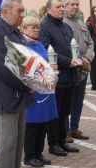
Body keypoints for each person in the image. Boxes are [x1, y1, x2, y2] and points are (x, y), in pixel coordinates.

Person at [0, 0, 33, 168]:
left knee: (18, 143)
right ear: (5, 11)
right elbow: (2, 68)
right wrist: (28, 85)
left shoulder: (14, 30)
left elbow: (24, 60)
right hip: (5, 96)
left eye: (23, 11)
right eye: (19, 11)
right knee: (7, 145)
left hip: (18, 95)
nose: (22, 15)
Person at [39, 0, 80, 157]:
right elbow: (46, 51)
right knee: (55, 113)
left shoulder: (66, 27)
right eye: (58, 6)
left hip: (70, 76)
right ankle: (54, 144)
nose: (62, 9)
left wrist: (78, 58)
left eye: (63, 6)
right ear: (49, 9)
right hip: (56, 77)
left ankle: (63, 141)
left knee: (64, 112)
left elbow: (73, 48)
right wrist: (69, 61)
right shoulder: (44, 27)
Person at [21, 16, 58, 167]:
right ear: (23, 29)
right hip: (33, 90)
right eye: (32, 27)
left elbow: (45, 63)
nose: (36, 30)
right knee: (32, 125)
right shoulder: (23, 46)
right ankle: (29, 156)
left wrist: (51, 68)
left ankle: (39, 153)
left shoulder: (40, 44)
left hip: (45, 89)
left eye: (37, 27)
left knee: (43, 123)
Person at [63, 0, 94, 141]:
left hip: (84, 67)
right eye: (72, 4)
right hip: (71, 66)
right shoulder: (62, 23)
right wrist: (79, 59)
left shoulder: (81, 23)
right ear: (65, 5)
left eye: (77, 4)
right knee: (67, 100)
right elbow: (63, 46)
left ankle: (74, 127)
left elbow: (91, 43)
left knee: (78, 99)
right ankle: (66, 130)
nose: (75, 7)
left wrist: (87, 58)